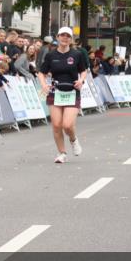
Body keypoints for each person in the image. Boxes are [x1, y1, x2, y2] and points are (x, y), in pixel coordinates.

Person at [38, 26, 88, 164]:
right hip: (56, 92)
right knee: (56, 125)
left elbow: (84, 71)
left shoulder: (77, 55)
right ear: (58, 37)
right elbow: (41, 72)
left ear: (71, 39)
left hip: (72, 92)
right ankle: (62, 153)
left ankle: (73, 139)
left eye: (67, 36)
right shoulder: (51, 55)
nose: (65, 38)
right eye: (62, 35)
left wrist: (81, 80)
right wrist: (43, 84)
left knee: (67, 125)